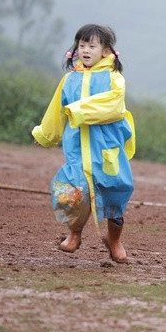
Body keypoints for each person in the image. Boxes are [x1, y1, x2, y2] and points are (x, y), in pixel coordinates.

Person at [31, 24, 135, 263]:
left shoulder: (114, 78)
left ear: (106, 51)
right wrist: (45, 134)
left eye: (92, 45)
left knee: (116, 189)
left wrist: (76, 110)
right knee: (73, 190)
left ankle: (114, 240)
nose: (86, 50)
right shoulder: (69, 79)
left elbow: (113, 106)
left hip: (107, 148)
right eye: (82, 45)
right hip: (77, 148)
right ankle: (74, 234)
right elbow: (57, 109)